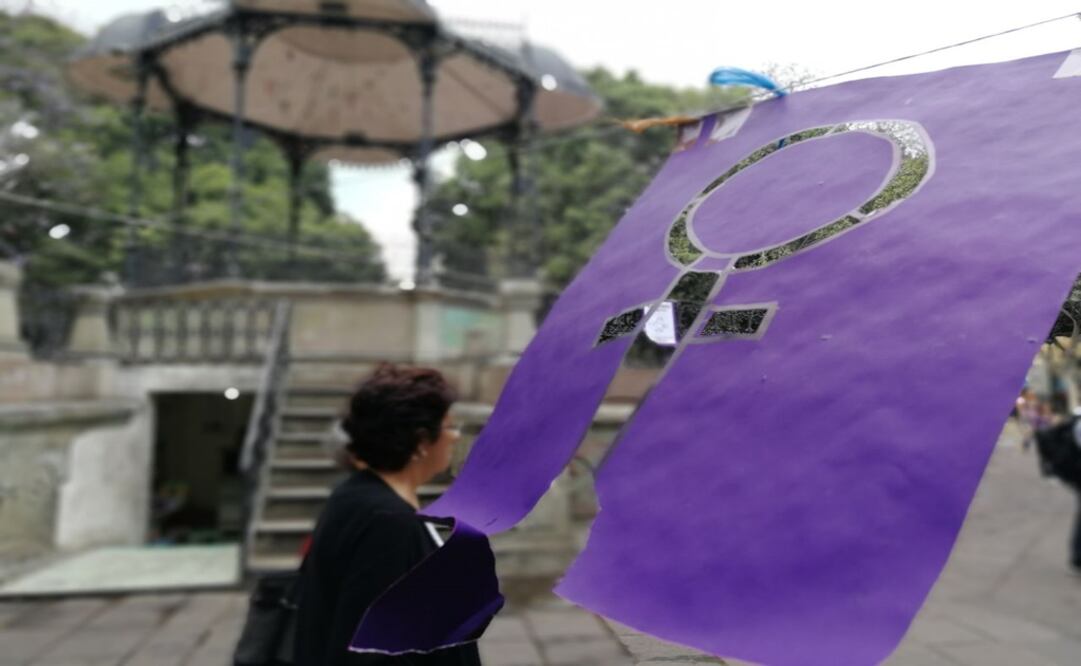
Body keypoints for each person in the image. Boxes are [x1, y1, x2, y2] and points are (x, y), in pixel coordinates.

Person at [294, 364, 479, 665]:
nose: (456, 436)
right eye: (449, 426)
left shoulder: (357, 494)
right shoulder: (389, 524)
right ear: (421, 441)